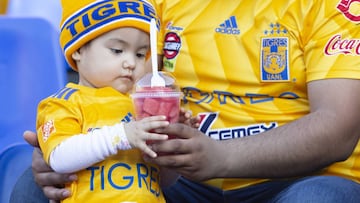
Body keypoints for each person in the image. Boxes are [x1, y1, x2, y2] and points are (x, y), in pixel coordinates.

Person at [11, 0, 360, 202]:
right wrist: (66, 146)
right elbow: (103, 77)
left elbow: (338, 129)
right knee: (37, 187)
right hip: (177, 179)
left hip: (295, 180)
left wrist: (222, 157)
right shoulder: (157, 6)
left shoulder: (329, 6)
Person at [12, 0, 198, 202]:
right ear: (79, 49)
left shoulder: (140, 105)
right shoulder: (63, 103)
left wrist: (171, 141)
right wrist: (122, 135)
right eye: (117, 50)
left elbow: (162, 180)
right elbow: (59, 158)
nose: (131, 63)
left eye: (140, 54)